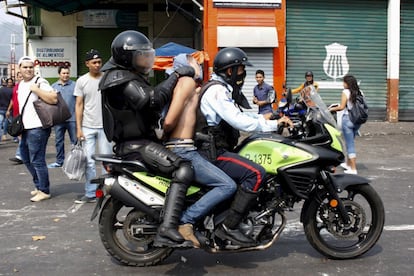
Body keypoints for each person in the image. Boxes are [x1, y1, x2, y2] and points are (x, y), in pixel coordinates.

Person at [99, 30, 196, 247]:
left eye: (147, 54)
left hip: (143, 141)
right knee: (184, 169)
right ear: (126, 57)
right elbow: (151, 101)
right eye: (141, 55)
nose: (146, 59)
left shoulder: (128, 76)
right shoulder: (119, 79)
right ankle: (168, 228)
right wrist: (176, 75)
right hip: (136, 145)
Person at [196, 47, 293, 246]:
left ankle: (229, 218)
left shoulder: (221, 88)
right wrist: (273, 125)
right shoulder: (217, 91)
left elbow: (239, 114)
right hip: (212, 153)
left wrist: (266, 117)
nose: (243, 73)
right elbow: (238, 121)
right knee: (256, 174)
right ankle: (228, 227)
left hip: (216, 149)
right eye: (240, 69)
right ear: (229, 71)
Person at [163, 53, 237, 248]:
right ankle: (186, 221)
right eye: (195, 62)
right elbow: (169, 120)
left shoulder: (192, 87)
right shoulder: (186, 82)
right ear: (185, 66)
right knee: (227, 185)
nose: (200, 65)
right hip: (182, 148)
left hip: (185, 146)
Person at [74, 49, 113, 204]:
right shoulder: (82, 81)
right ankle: (90, 192)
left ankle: (107, 191)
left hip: (105, 127)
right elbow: (78, 105)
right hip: (87, 127)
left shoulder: (107, 79)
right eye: (94, 62)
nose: (97, 65)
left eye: (99, 62)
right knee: (89, 161)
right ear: (87, 64)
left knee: (107, 161)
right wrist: (78, 128)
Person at [17, 56, 58, 202]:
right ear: (19, 69)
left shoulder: (40, 82)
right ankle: (38, 185)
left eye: (30, 67)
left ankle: (44, 190)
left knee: (37, 160)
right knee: (26, 158)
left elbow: (54, 98)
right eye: (25, 67)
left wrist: (36, 90)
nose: (28, 69)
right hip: (26, 128)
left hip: (38, 128)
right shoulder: (21, 84)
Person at [329, 74, 362, 175]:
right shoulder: (360, 92)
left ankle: (353, 168)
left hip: (348, 120)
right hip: (357, 120)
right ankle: (348, 164)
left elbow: (342, 107)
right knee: (350, 141)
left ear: (347, 83)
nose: (342, 84)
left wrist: (330, 109)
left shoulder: (345, 92)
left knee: (349, 144)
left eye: (343, 82)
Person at [48, 66, 77, 168]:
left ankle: (75, 161)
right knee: (59, 141)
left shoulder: (75, 85)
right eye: (63, 73)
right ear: (59, 74)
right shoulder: (53, 86)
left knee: (75, 142)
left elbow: (79, 102)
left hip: (72, 118)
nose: (65, 75)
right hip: (59, 120)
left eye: (67, 73)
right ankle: (59, 161)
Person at [7, 72, 24, 164]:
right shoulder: (15, 87)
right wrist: (9, 110)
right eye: (19, 76)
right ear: (17, 78)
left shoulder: (27, 86)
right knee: (21, 136)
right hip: (16, 115)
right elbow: (13, 100)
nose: (21, 78)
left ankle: (19, 155)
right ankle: (22, 155)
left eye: (22, 76)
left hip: (25, 115)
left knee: (22, 136)